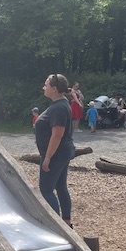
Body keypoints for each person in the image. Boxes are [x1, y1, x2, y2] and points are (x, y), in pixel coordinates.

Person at [35, 73, 75, 228]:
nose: (43, 87)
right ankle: (66, 224)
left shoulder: (59, 108)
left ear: (54, 88)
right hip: (62, 152)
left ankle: (57, 228)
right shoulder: (61, 104)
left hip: (56, 154)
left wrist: (47, 157)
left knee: (46, 190)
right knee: (61, 186)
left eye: (46, 85)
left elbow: (57, 135)